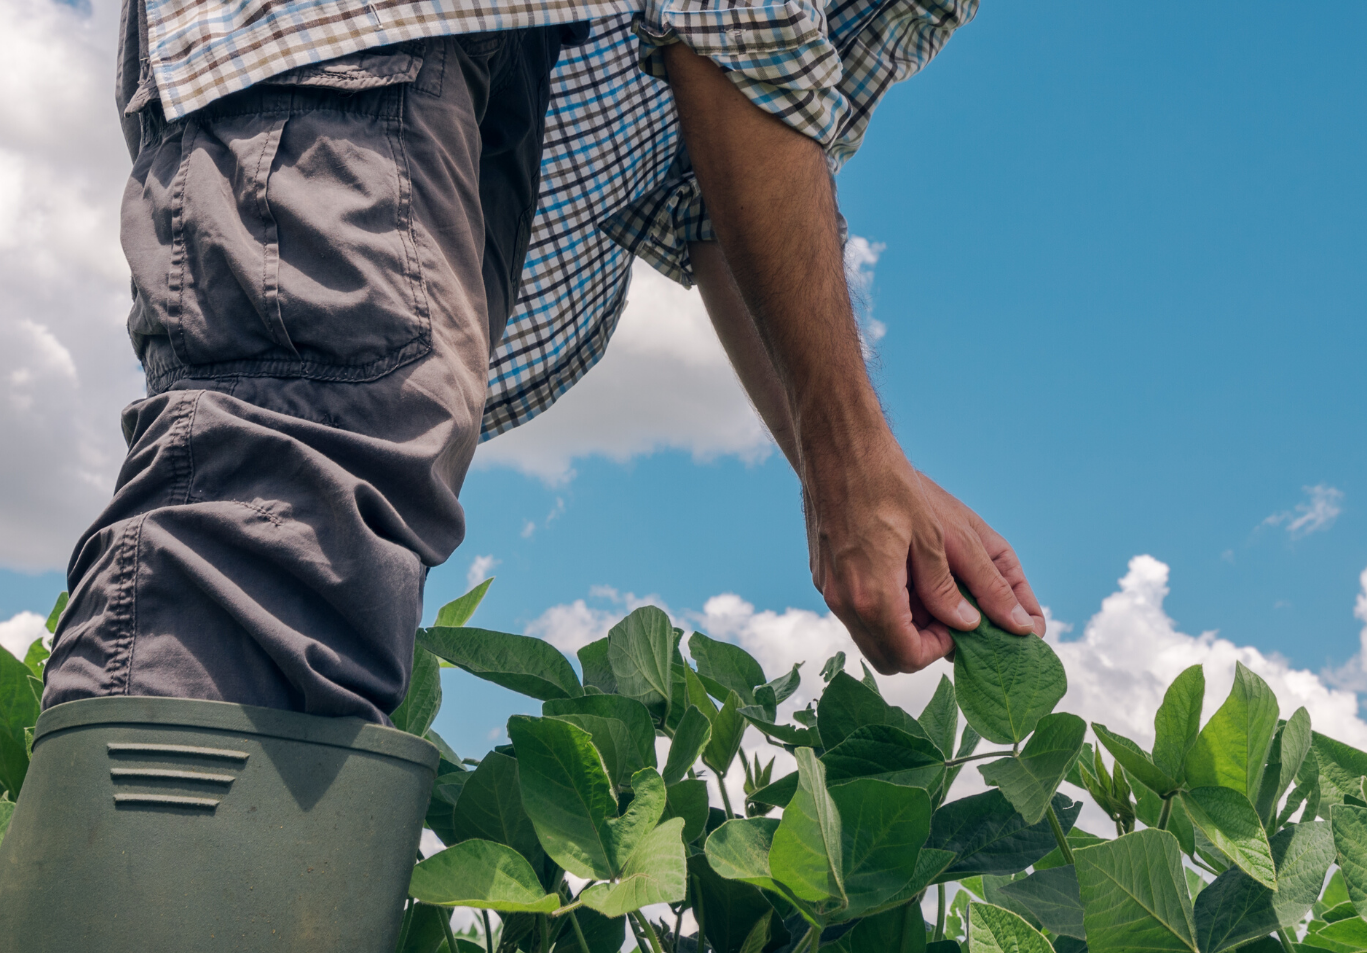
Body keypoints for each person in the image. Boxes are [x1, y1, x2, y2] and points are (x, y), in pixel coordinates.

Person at [42, 0, 1047, 725]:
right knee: (288, 521)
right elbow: (736, 26)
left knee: (335, 582)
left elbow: (720, 185)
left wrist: (864, 479)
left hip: (477, 50)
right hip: (360, 28)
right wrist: (849, 465)